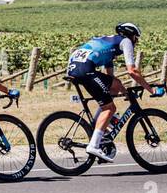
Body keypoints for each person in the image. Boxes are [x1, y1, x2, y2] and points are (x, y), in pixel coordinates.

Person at [67, 22, 160, 162]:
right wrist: (151, 89)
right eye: (136, 37)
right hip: (85, 69)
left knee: (114, 86)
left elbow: (111, 79)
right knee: (110, 108)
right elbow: (132, 71)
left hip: (75, 67)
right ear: (131, 35)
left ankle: (98, 127)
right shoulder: (125, 41)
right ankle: (94, 145)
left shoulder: (109, 44)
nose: (136, 41)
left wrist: (125, 93)